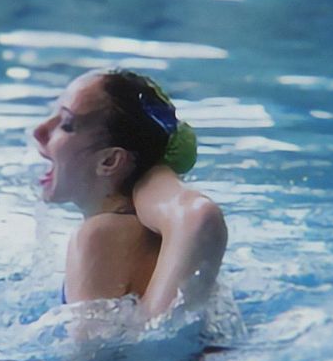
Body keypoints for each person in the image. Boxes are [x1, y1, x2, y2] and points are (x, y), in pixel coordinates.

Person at [33, 69, 227, 319]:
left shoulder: (98, 236)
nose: (39, 130)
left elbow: (92, 356)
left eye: (67, 124)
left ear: (110, 161)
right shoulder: (142, 234)